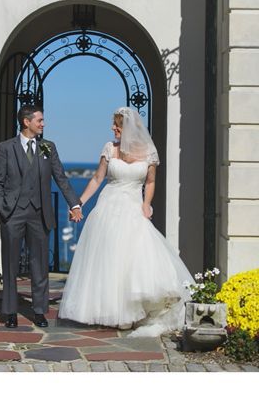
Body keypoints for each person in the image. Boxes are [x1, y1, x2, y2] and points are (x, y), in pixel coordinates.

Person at [58, 108, 192, 336]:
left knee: (132, 258)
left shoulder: (149, 152)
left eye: (117, 125)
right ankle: (109, 311)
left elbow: (150, 182)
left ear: (128, 128)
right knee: (109, 260)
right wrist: (78, 203)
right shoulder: (110, 148)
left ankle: (131, 312)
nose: (113, 128)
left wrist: (146, 204)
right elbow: (98, 178)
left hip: (132, 207)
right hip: (108, 208)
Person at [0, 105, 81, 328]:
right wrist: (0, 209)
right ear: (26, 122)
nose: (43, 124)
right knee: (10, 266)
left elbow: (61, 178)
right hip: (12, 214)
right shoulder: (6, 148)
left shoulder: (47, 148)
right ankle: (10, 311)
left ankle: (39, 311)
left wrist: (75, 204)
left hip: (39, 215)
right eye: (39, 120)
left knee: (40, 265)